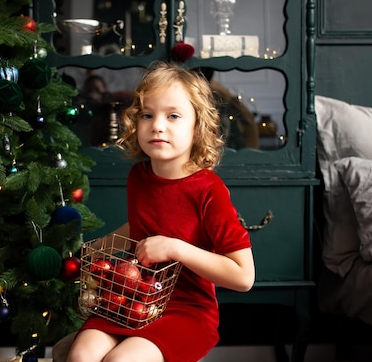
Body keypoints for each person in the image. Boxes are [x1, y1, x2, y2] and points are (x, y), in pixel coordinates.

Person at [65, 61, 255, 362]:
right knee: (81, 355)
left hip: (187, 310)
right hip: (132, 298)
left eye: (174, 116)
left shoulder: (209, 191)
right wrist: (96, 248)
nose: (157, 125)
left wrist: (176, 248)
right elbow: (142, 227)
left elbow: (244, 277)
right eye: (147, 115)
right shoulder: (139, 177)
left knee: (120, 361)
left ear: (197, 127)